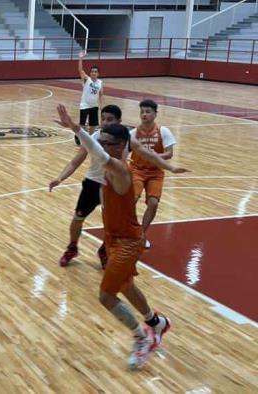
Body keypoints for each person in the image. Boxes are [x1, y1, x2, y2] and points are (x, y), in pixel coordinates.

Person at [55, 104, 185, 369]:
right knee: (125, 286)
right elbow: (94, 150)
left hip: (127, 242)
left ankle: (142, 338)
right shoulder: (110, 165)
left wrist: (76, 128)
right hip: (115, 239)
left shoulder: (121, 170)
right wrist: (78, 132)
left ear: (119, 146)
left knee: (106, 296)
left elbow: (98, 152)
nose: (100, 145)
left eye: (106, 142)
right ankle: (157, 323)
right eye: (100, 140)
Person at [49, 104, 185, 268]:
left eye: (110, 119)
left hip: (114, 185)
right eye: (103, 119)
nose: (105, 122)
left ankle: (105, 250)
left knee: (111, 224)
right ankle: (72, 247)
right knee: (78, 219)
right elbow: (75, 161)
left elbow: (150, 155)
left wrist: (171, 168)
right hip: (93, 183)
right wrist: (60, 178)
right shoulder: (93, 137)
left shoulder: (127, 139)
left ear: (119, 121)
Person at [130, 99, 177, 249]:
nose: (144, 114)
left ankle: (141, 234)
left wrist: (154, 156)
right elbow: (123, 151)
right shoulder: (133, 133)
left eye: (148, 112)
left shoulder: (163, 131)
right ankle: (129, 231)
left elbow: (169, 153)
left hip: (155, 172)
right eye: (142, 112)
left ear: (155, 114)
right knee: (131, 201)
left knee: (153, 203)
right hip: (136, 170)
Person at [76, 51, 103, 145]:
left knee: (93, 125)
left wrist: (101, 105)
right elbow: (80, 70)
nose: (93, 73)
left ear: (98, 73)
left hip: (94, 106)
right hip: (84, 105)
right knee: (82, 124)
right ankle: (78, 135)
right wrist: (80, 58)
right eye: (92, 71)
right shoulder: (87, 79)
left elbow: (100, 94)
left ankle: (90, 140)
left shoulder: (100, 82)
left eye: (95, 72)